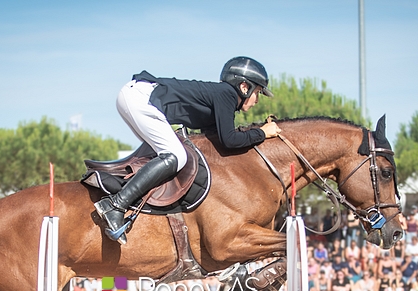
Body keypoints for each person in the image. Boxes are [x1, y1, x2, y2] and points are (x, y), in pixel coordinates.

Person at [94, 57, 280, 244]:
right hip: (141, 99)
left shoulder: (222, 96)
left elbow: (218, 142)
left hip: (135, 96)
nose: (257, 100)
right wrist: (262, 133)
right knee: (176, 156)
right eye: (258, 92)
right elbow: (230, 140)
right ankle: (115, 205)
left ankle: (124, 201)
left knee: (161, 157)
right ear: (244, 87)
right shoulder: (227, 94)